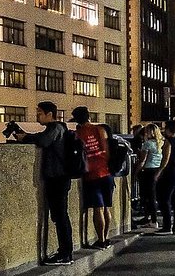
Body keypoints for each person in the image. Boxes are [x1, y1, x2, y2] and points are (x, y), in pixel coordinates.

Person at [14, 101, 73, 264]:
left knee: (60, 216)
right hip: (58, 178)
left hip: (58, 179)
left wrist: (26, 137)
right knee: (60, 216)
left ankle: (65, 253)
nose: (37, 115)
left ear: (49, 114)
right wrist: (25, 136)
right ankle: (65, 252)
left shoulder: (56, 128)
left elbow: (44, 141)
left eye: (40, 112)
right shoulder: (56, 129)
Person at [72, 106, 113, 249]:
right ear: (88, 116)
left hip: (91, 174)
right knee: (107, 207)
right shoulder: (100, 129)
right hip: (106, 173)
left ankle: (101, 240)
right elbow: (107, 151)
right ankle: (107, 238)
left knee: (98, 208)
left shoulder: (77, 133)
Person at [155, 121, 175, 234]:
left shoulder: (168, 142)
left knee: (164, 200)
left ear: (168, 130)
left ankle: (167, 226)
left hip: (169, 174)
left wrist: (158, 172)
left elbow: (165, 159)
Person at [136, 124, 163, 228]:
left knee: (148, 196)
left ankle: (152, 219)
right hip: (157, 170)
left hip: (148, 170)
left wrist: (136, 172)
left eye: (147, 131)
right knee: (154, 195)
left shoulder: (147, 144)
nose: (145, 133)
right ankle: (152, 218)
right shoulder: (160, 144)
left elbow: (142, 161)